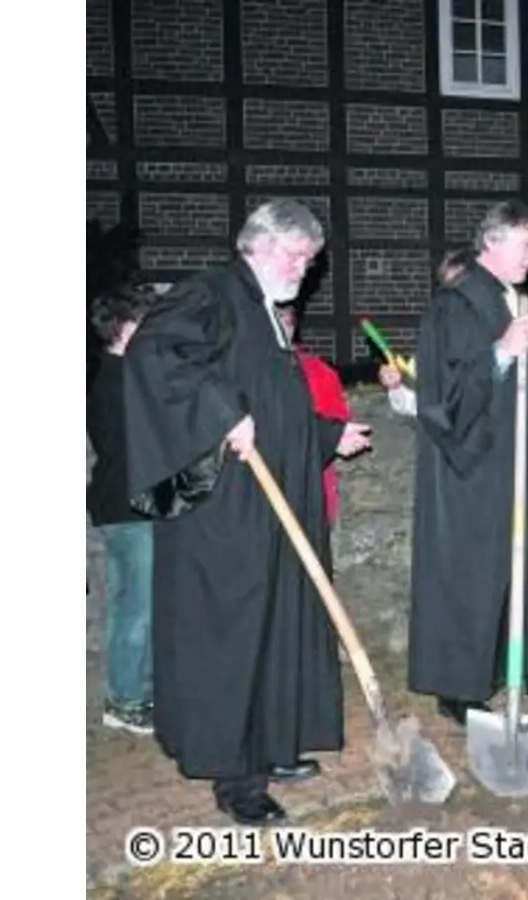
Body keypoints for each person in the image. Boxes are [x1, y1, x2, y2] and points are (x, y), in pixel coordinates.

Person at [122, 199, 374, 825]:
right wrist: (218, 413)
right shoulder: (211, 294)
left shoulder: (262, 313)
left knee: (275, 634)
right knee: (232, 640)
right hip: (228, 517)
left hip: (274, 508)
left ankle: (271, 744)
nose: (304, 270)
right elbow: (156, 355)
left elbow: (273, 413)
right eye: (297, 256)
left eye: (310, 260)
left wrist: (325, 436)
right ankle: (236, 776)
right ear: (259, 244)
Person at [408, 201, 528, 726]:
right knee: (477, 571)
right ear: (491, 243)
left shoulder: (517, 301)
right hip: (480, 469)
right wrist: (497, 353)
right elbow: (441, 398)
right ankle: (460, 686)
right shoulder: (455, 307)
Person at [87, 284, 156, 735]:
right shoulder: (118, 380)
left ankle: (139, 691)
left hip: (124, 505)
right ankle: (125, 698)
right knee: (137, 605)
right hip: (127, 508)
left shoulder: (116, 375)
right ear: (128, 328)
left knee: (137, 601)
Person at [275, 303, 351, 550]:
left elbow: (333, 430)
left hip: (306, 490)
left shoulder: (318, 372)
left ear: (292, 325)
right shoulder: (238, 370)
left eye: (284, 322)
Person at [376, 246, 475, 417]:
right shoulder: (436, 342)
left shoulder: (505, 334)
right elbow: (413, 405)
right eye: (449, 289)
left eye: (463, 286)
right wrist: (396, 387)